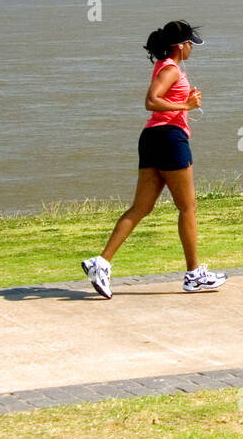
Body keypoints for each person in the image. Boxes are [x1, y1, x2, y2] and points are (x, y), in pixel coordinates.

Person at [81, 20, 226, 298]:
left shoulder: (164, 67)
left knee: (141, 207)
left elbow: (159, 100)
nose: (192, 49)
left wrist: (184, 101)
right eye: (190, 44)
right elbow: (151, 100)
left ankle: (100, 263)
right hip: (170, 138)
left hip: (152, 138)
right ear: (180, 46)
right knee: (187, 207)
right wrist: (187, 104)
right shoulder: (171, 69)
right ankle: (194, 274)